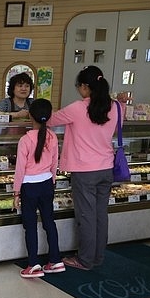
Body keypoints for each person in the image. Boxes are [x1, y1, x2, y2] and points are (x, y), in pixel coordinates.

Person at [48, 65, 122, 270]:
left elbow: (50, 120)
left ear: (85, 87)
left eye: (79, 86)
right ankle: (97, 257)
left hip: (84, 170)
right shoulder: (115, 107)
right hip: (106, 168)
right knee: (100, 214)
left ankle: (85, 260)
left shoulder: (78, 108)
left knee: (86, 216)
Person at [13, 98, 63, 278]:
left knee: (31, 225)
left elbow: (20, 168)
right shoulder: (53, 136)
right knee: (49, 222)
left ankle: (33, 264)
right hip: (47, 184)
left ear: (30, 116)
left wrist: (16, 191)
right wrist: (52, 180)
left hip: (29, 186)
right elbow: (54, 163)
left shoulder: (25, 140)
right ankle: (56, 260)